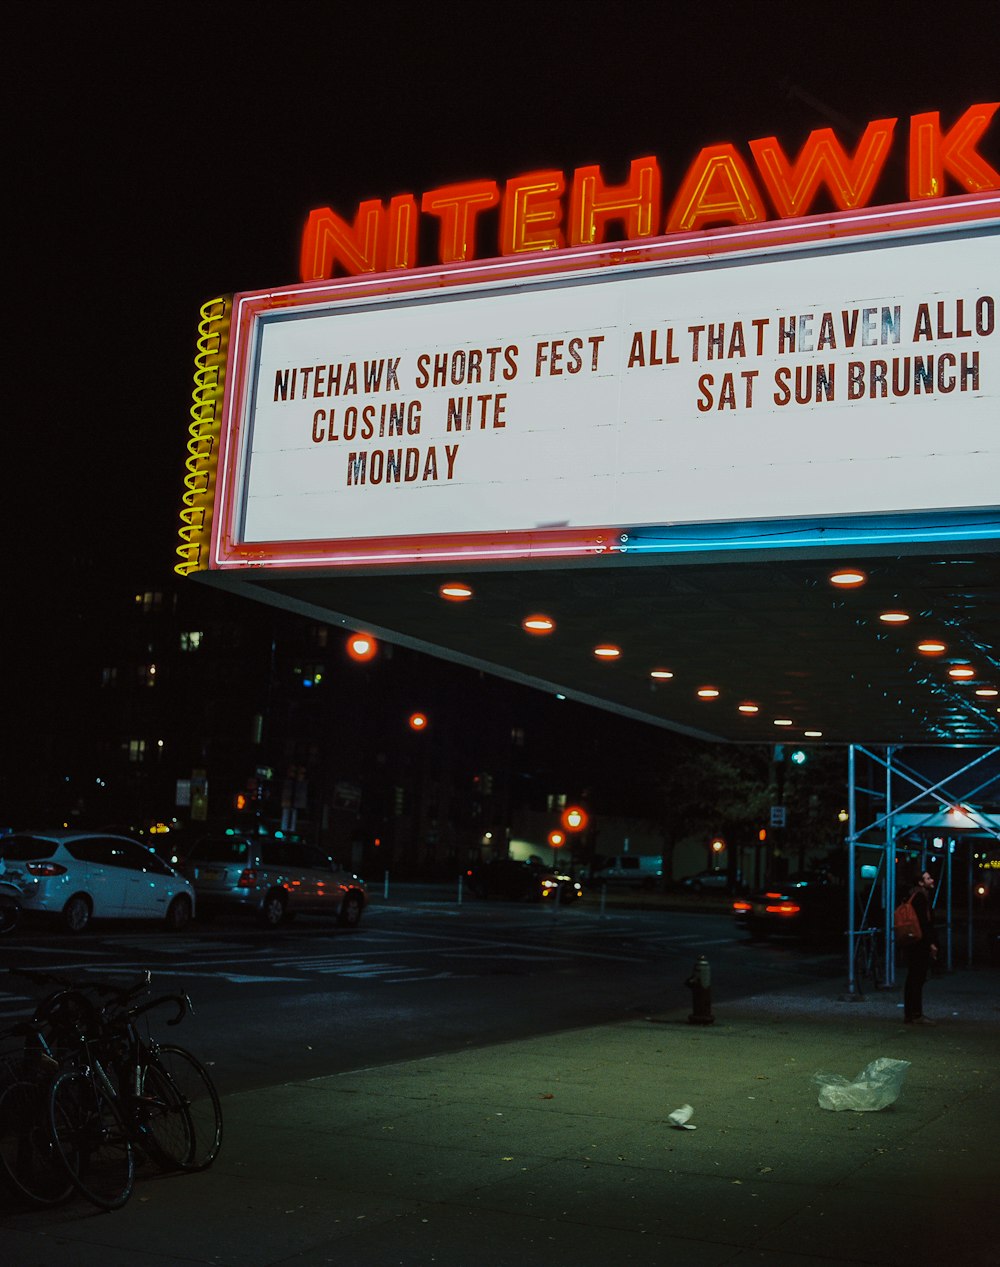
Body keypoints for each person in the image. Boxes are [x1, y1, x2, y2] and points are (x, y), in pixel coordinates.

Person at [903, 870, 939, 1025]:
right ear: (920, 882)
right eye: (928, 878)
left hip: (913, 942)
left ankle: (910, 1013)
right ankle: (916, 1013)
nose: (931, 880)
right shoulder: (921, 898)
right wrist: (931, 943)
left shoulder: (913, 896)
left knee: (913, 978)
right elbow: (925, 923)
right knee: (918, 977)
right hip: (920, 943)